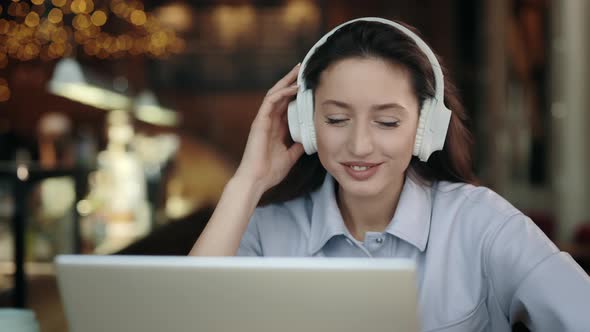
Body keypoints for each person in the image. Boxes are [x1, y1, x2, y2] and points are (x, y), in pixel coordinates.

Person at [190, 17, 590, 331]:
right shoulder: (267, 233)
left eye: (386, 122)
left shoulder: (480, 222)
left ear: (426, 126)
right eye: (336, 118)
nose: (360, 145)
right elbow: (185, 322)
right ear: (305, 124)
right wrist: (249, 181)